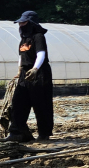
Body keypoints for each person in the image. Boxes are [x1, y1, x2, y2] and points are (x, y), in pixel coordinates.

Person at [5, 11, 54, 142]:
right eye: (19, 22)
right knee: (18, 102)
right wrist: (19, 70)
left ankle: (44, 134)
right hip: (24, 73)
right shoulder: (23, 39)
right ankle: (17, 132)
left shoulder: (38, 37)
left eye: (23, 22)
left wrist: (35, 69)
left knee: (41, 104)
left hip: (39, 73)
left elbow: (41, 54)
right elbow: (21, 56)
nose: (20, 24)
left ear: (31, 23)